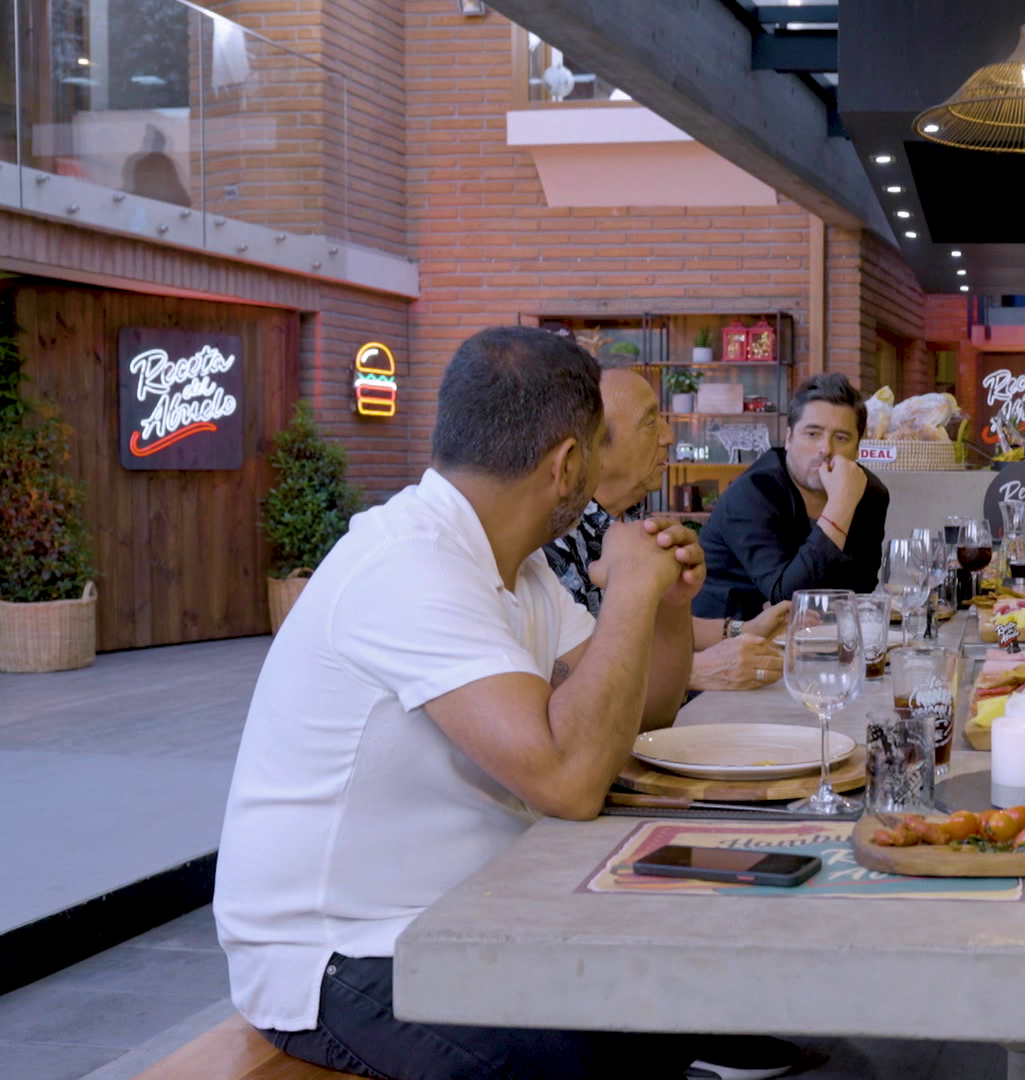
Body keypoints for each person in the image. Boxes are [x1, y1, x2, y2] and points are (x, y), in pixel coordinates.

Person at [215, 326, 813, 1079]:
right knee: (614, 1053)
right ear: (568, 465)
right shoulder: (409, 565)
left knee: (681, 968)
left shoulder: (515, 564)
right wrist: (629, 588)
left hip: (472, 910)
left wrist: (663, 606)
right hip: (341, 957)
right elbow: (568, 779)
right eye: (598, 446)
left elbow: (634, 719)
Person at [544, 360, 790, 691]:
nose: (669, 435)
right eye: (650, 421)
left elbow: (652, 625)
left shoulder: (629, 518)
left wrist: (742, 630)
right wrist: (695, 671)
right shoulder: (550, 535)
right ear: (595, 444)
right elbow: (558, 669)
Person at [695, 373, 890, 619]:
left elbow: (860, 587)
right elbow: (792, 599)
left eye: (841, 438)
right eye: (812, 434)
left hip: (815, 635)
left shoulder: (870, 493)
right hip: (726, 637)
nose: (826, 449)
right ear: (788, 438)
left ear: (858, 448)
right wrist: (841, 504)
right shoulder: (754, 492)